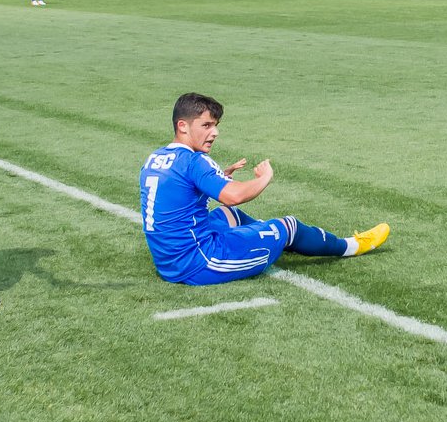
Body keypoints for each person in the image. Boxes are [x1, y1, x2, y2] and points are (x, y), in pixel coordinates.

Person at [141, 92, 389, 285]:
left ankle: (274, 237)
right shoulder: (196, 161)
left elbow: (179, 193)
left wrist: (220, 176)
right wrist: (265, 178)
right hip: (202, 262)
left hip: (168, 261)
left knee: (229, 214)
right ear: (183, 126)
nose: (215, 132)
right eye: (206, 125)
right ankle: (350, 246)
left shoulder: (156, 157)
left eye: (215, 125)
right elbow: (234, 196)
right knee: (289, 225)